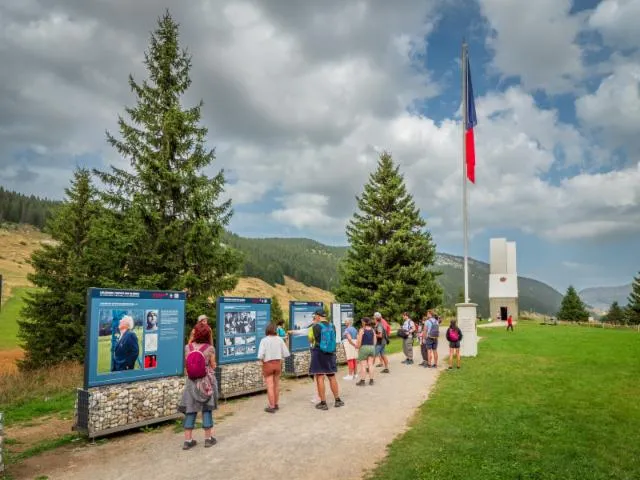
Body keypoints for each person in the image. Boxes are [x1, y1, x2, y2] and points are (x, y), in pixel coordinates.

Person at [179, 321, 218, 450]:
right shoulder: (210, 348)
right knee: (207, 409)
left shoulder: (187, 348)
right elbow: (213, 365)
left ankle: (188, 440)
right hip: (205, 383)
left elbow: (187, 365)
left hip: (191, 383)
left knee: (190, 410)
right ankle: (208, 439)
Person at [309, 309, 344, 410]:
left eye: (315, 316)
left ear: (318, 316)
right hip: (330, 353)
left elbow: (313, 340)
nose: (315, 317)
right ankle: (337, 400)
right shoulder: (332, 326)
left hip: (319, 353)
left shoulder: (315, 327)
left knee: (320, 377)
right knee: (332, 376)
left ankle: (323, 403)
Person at [258, 323, 291, 413]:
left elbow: (260, 355)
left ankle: (271, 406)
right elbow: (286, 353)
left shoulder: (264, 340)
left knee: (270, 386)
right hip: (278, 364)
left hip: (268, 364)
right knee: (276, 385)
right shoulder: (280, 339)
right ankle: (276, 404)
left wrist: (261, 362)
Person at [356, 317, 377, 386]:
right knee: (370, 364)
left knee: (363, 365)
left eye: (362, 321)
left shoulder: (362, 330)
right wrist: (372, 347)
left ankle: (362, 381)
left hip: (364, 347)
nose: (362, 323)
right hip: (371, 347)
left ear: (364, 322)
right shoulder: (372, 330)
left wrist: (358, 347)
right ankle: (371, 380)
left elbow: (359, 340)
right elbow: (375, 340)